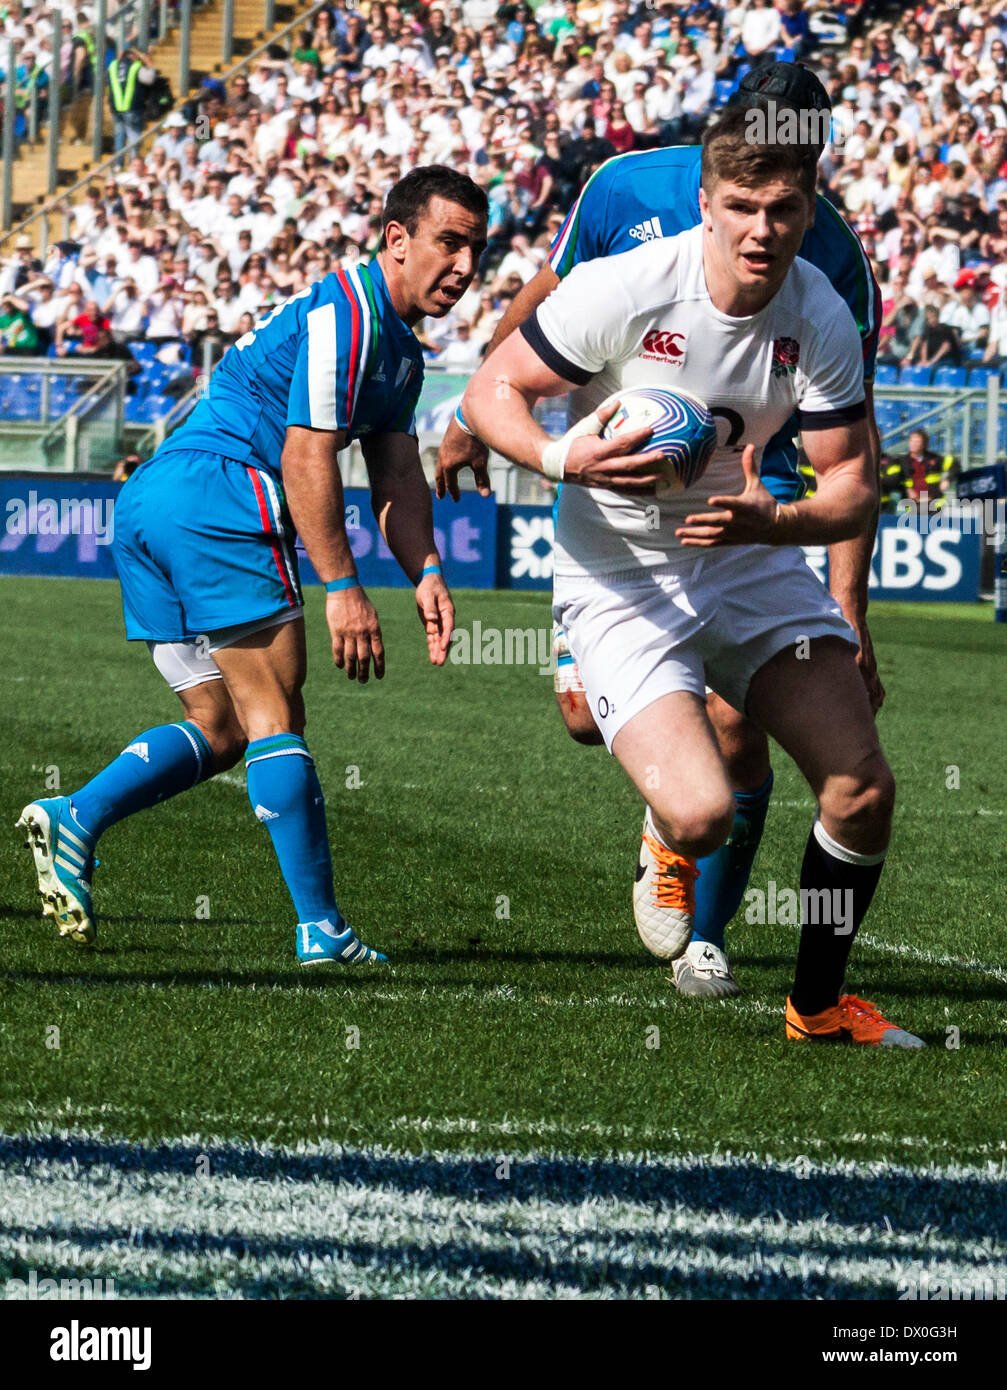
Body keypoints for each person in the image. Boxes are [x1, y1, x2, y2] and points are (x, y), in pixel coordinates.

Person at [459, 109, 922, 1050]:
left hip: (749, 558)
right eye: (741, 206)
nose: (761, 229)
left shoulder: (819, 313)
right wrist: (561, 460)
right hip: (620, 573)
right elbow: (490, 389)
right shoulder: (627, 285)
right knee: (704, 813)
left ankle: (818, 1008)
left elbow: (850, 485)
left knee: (861, 790)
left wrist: (776, 523)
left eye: (782, 209)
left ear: (809, 210)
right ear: (704, 204)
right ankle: (668, 832)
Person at [18, 166, 488, 967]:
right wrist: (343, 587)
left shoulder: (396, 349)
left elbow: (395, 473)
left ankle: (77, 817)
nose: (465, 266)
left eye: (476, 249)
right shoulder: (350, 315)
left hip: (155, 499)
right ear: (397, 239)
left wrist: (427, 570)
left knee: (223, 724)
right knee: (275, 715)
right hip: (221, 492)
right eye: (449, 242)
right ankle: (321, 930)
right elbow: (306, 456)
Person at [107, 46, 157, 156]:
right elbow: (149, 79)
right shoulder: (135, 66)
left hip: (116, 109)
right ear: (134, 57)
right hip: (132, 108)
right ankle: (134, 160)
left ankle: (119, 163)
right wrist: (149, 63)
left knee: (119, 137)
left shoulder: (113, 66)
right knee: (133, 138)